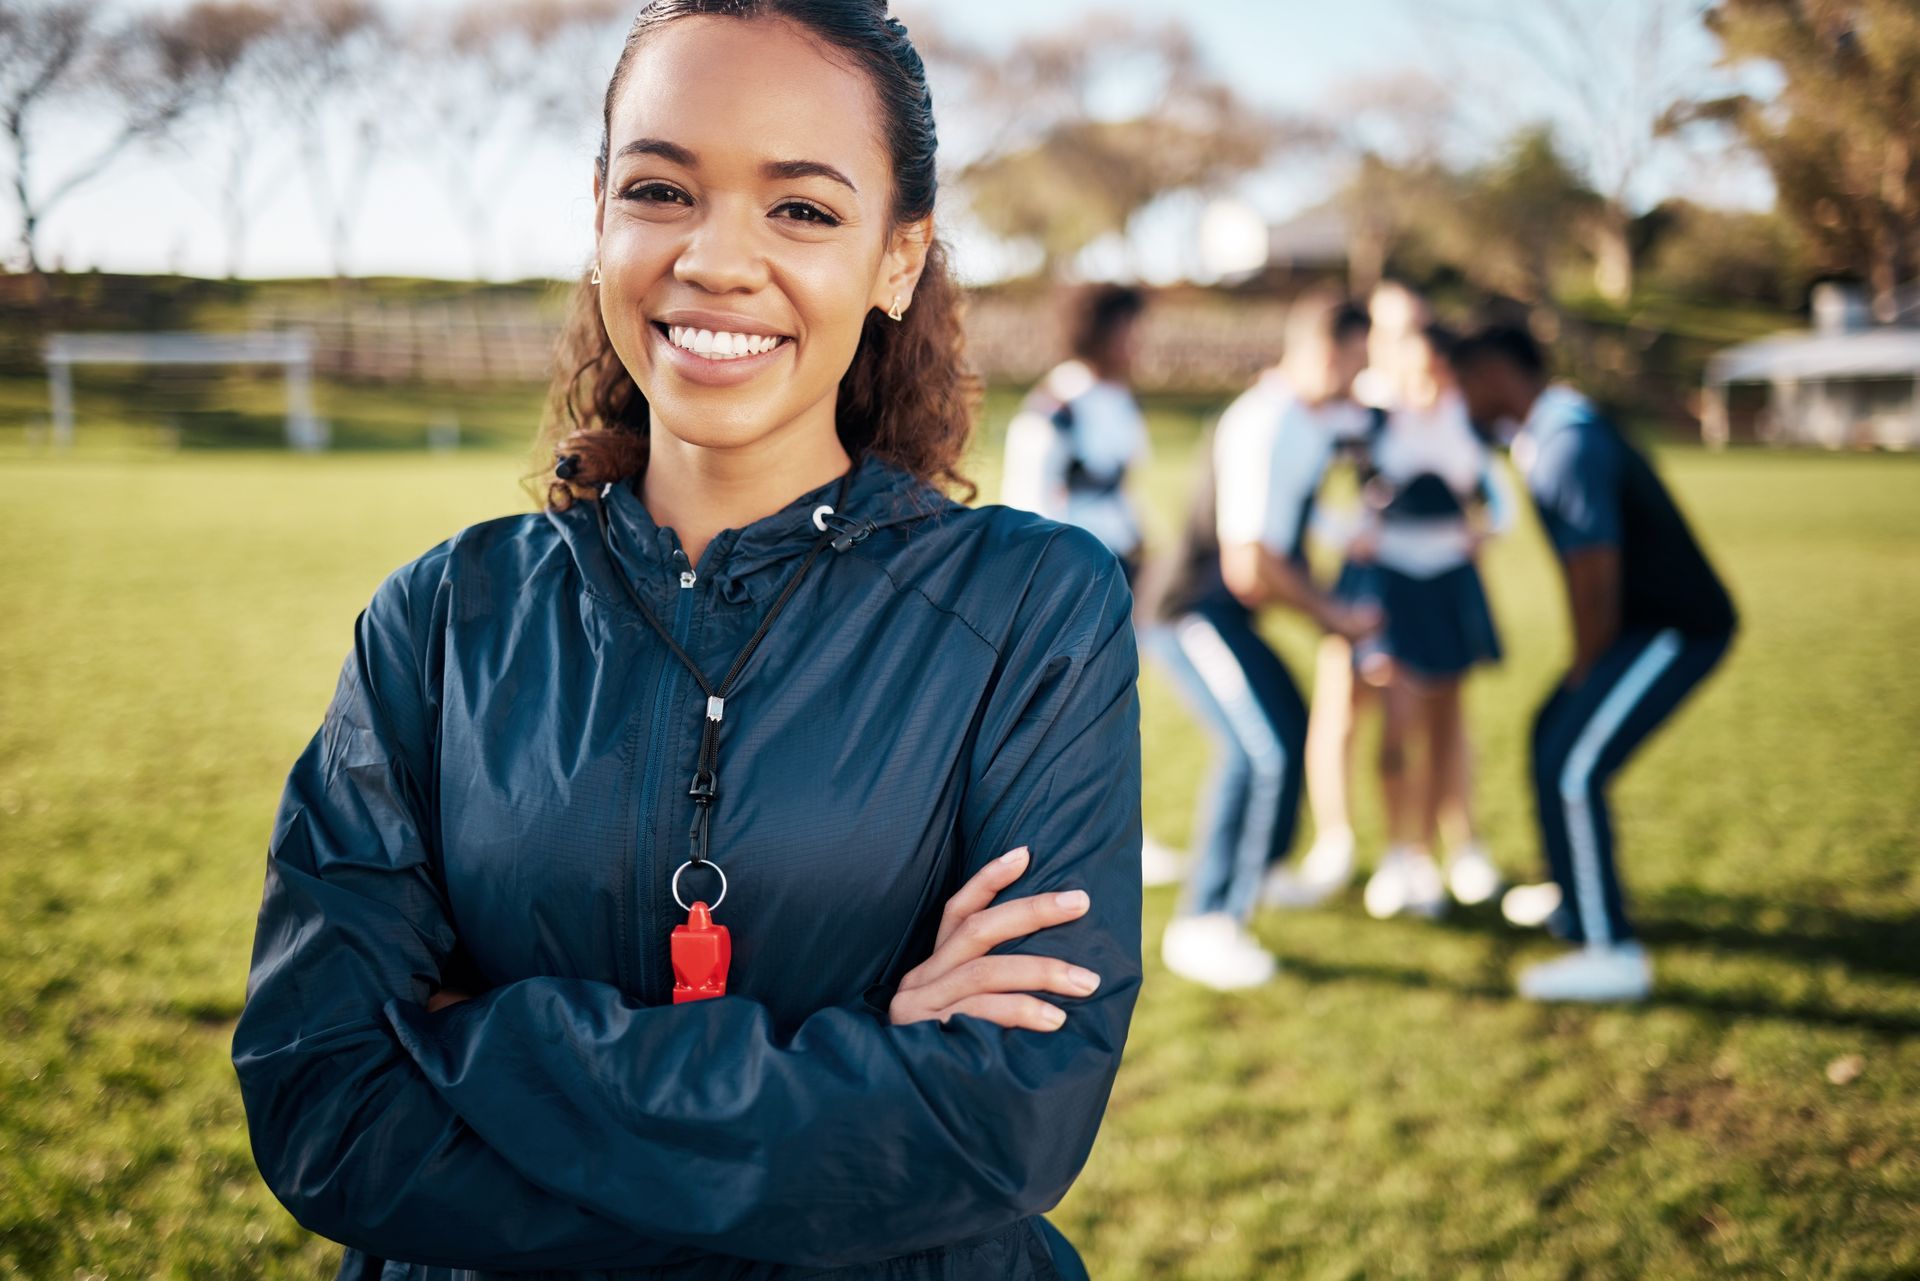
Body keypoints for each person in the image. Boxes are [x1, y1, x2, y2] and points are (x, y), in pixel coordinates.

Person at [230, 5, 1141, 1279]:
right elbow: (327, 1107)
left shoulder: (1032, 607)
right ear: (601, 213)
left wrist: (475, 1042)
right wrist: (870, 1060)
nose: (717, 260)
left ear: (898, 256)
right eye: (663, 189)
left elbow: (1000, 1121)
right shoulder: (440, 619)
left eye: (803, 210)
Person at [1450, 324, 1737, 1003]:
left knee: (1576, 764)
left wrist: (1587, 666)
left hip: (1675, 628)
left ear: (1494, 371)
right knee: (1549, 733)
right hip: (1638, 628)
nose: (1458, 397)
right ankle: (1574, 897)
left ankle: (1611, 952)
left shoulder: (1567, 444)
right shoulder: (1549, 432)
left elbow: (1595, 571)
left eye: (1463, 381)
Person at [1140, 290, 1379, 990]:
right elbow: (1251, 566)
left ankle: (1264, 870)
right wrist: (1335, 615)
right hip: (1190, 614)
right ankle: (1206, 923)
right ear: (1324, 351)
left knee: (1288, 722)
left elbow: (1284, 528)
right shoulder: (1268, 423)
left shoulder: (1307, 420)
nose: (1357, 382)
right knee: (1262, 748)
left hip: (1226, 614)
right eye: (1355, 365)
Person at [1001, 284, 1183, 886]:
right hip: (1074, 589)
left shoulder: (1117, 401)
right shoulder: (1055, 408)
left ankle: (1123, 836)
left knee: (1119, 714)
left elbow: (1123, 492)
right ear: (1095, 331)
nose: (1139, 344)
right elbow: (1028, 511)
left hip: (1125, 578)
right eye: (1129, 329)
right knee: (1067, 724)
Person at [1330, 322, 1510, 920]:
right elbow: (1326, 497)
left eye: (1435, 373)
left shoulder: (1466, 420)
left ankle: (1433, 855)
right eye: (1415, 374)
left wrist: (1488, 531)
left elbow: (1497, 496)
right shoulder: (1372, 421)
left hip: (1449, 580)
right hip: (1391, 581)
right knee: (1395, 722)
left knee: (1446, 721)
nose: (1426, 385)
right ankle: (1397, 852)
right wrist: (1348, 534)